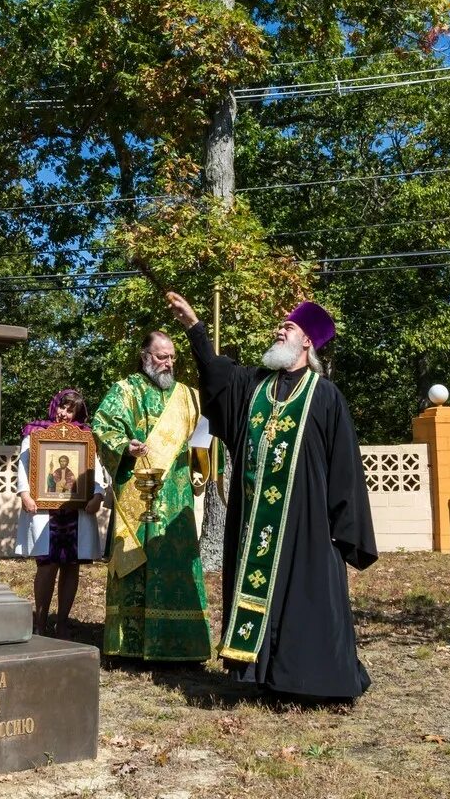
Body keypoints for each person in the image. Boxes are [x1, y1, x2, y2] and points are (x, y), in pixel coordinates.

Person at [166, 291, 378, 702]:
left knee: (307, 597)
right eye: (281, 326)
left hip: (306, 524)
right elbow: (214, 375)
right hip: (254, 522)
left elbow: (344, 468)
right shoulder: (254, 386)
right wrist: (195, 328)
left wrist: (343, 529)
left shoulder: (325, 395)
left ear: (307, 343)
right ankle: (258, 676)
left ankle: (311, 681)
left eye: (289, 327)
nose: (279, 331)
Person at [92, 331, 211, 663]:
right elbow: (103, 426)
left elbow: (202, 439)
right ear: (145, 356)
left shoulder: (188, 396)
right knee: (136, 564)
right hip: (137, 493)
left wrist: (201, 465)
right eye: (161, 357)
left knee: (176, 564)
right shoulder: (125, 391)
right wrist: (124, 446)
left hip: (176, 496)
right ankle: (129, 647)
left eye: (172, 357)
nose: (168, 363)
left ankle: (181, 647)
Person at [15, 390, 104, 638]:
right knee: (47, 565)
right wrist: (25, 494)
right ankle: (40, 622)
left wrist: (97, 494)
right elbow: (23, 466)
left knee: (72, 566)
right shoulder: (35, 432)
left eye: (71, 410)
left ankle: (62, 621)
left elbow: (93, 469)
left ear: (78, 412)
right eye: (62, 408)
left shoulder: (85, 436)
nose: (65, 414)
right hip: (45, 511)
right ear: (54, 407)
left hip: (75, 512)